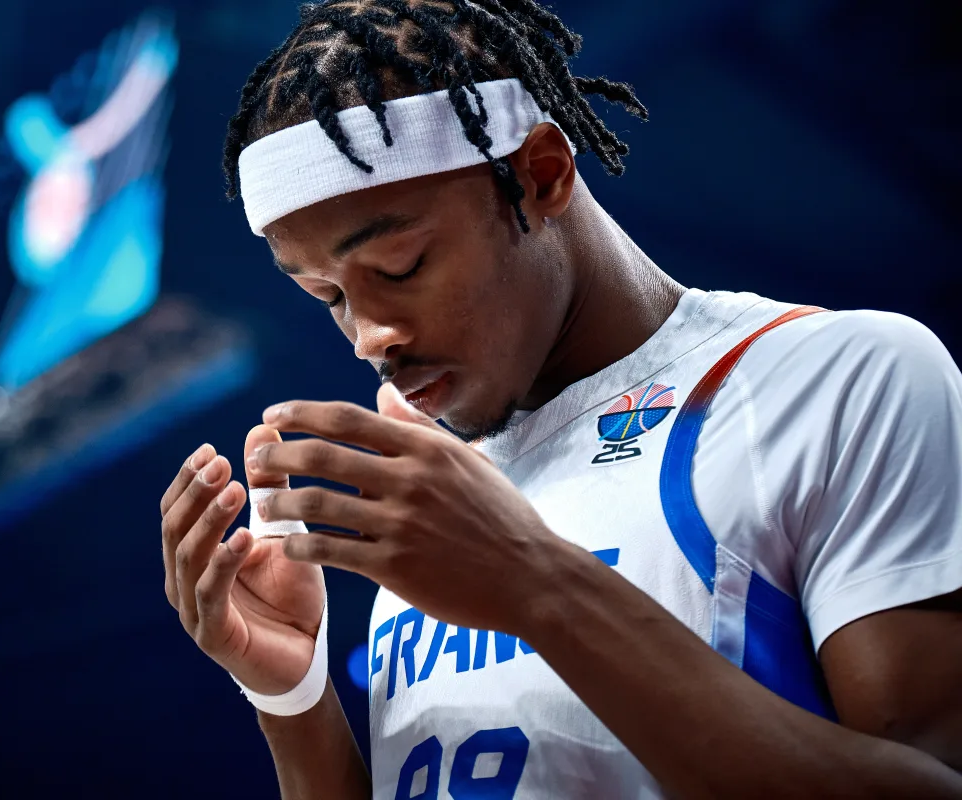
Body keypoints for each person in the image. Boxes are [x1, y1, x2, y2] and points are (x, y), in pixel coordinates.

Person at [159, 1, 962, 797]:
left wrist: (535, 581)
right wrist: (294, 703)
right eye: (328, 295)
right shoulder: (436, 492)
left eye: (400, 266)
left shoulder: (835, 376)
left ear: (541, 174)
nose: (369, 336)